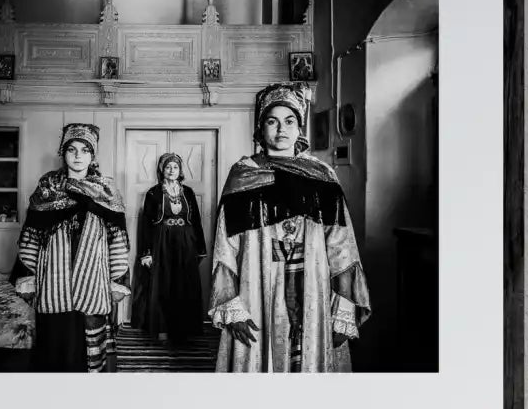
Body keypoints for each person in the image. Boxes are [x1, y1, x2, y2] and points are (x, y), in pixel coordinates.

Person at [208, 82, 370, 372]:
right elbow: (225, 246)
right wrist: (231, 306)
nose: (281, 129)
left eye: (289, 121)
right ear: (260, 128)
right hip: (255, 288)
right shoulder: (242, 176)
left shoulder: (323, 177)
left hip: (312, 288)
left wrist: (344, 305)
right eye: (272, 121)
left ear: (300, 128)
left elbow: (341, 245)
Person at [11, 122, 130, 372]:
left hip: (93, 281)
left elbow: (117, 239)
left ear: (92, 155)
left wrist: (117, 279)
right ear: (63, 153)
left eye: (84, 150)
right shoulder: (46, 190)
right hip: (53, 282)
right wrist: (28, 277)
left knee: (88, 346)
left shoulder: (106, 191)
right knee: (55, 345)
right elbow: (31, 236)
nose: (78, 156)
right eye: (72, 149)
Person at [130, 152, 207, 344]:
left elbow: (196, 220)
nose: (172, 170)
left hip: (185, 242)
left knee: (184, 285)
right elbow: (147, 225)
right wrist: (146, 253)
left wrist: (200, 248)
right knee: (163, 285)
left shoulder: (188, 192)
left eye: (175, 167)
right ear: (162, 170)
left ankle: (183, 330)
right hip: (161, 243)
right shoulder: (153, 193)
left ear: (180, 171)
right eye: (168, 167)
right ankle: (163, 329)